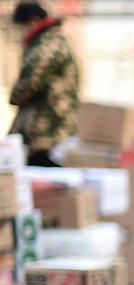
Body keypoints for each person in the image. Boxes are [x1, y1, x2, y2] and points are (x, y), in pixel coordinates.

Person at [8, 2, 79, 167]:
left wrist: (13, 97)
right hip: (55, 126)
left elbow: (29, 81)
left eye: (21, 27)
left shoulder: (45, 44)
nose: (20, 33)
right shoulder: (57, 39)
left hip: (46, 129)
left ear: (33, 21)